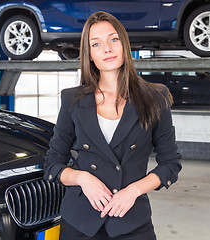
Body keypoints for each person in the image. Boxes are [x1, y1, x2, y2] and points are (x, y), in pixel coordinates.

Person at [44, 11, 182, 239]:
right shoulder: (72, 100)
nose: (107, 48)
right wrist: (83, 179)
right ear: (89, 55)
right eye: (96, 44)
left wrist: (133, 191)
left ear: (124, 44)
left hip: (131, 219)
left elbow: (170, 164)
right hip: (80, 221)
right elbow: (52, 164)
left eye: (113, 39)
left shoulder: (155, 97)